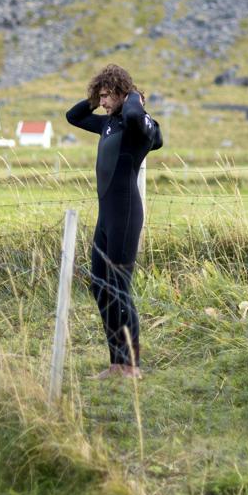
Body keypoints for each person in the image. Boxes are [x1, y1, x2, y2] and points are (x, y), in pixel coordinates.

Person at [65, 64, 163, 378]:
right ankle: (115, 363)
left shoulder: (135, 124)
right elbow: (74, 116)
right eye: (101, 96)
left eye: (108, 95)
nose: (104, 102)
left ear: (123, 93)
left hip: (126, 213)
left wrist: (132, 95)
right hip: (106, 216)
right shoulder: (108, 124)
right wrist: (95, 98)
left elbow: (136, 116)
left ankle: (131, 366)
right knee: (100, 287)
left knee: (120, 288)